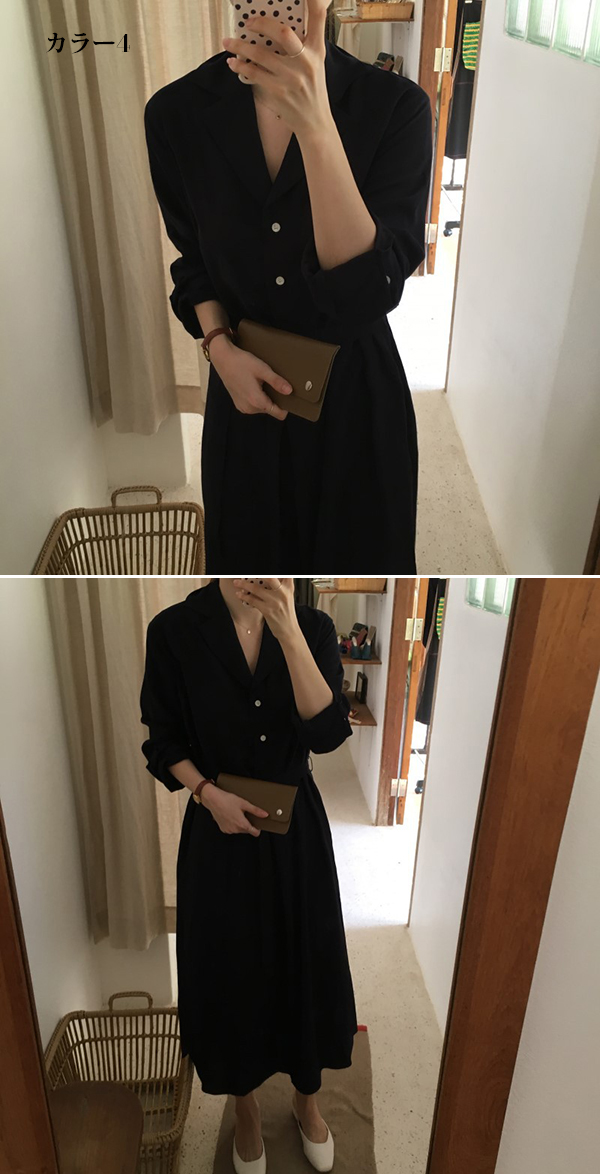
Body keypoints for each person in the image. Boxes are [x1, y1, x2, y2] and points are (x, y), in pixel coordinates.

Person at [143, 0, 433, 571]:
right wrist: (218, 347)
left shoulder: (396, 107)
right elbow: (194, 261)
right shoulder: (175, 112)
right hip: (244, 391)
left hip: (356, 399)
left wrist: (316, 124)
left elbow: (368, 291)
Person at [140, 577, 357, 1173]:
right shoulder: (174, 631)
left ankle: (307, 1102)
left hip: (296, 831)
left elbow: (327, 734)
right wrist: (207, 794)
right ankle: (247, 1108)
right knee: (231, 969)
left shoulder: (313, 628)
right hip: (218, 828)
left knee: (303, 959)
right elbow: (163, 740)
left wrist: (288, 631)